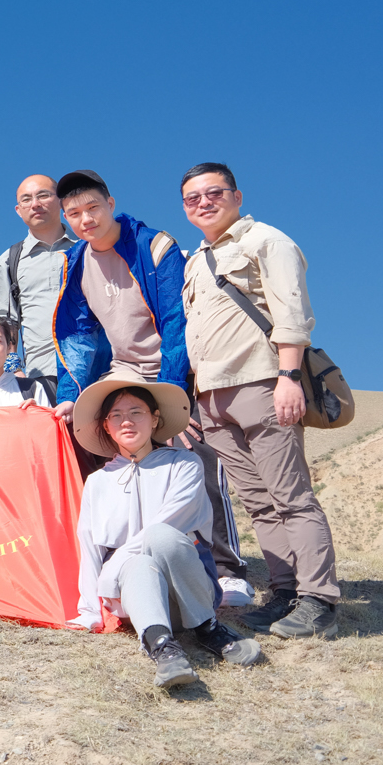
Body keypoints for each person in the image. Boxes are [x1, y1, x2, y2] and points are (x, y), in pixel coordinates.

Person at [52, 169, 245, 582]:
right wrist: (70, 393)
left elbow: (177, 321)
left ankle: (226, 568)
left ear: (110, 204)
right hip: (124, 372)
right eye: (74, 213)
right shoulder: (75, 261)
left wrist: (173, 397)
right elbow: (78, 336)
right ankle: (126, 560)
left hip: (172, 368)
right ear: (65, 219)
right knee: (99, 447)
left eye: (93, 207)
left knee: (196, 453)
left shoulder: (153, 245)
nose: (86, 219)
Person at [178, 163, 340, 640]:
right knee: (259, 504)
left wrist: (289, 377)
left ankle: (319, 599)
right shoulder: (196, 260)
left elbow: (292, 314)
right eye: (192, 198)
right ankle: (285, 592)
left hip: (262, 382)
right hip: (212, 397)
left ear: (237, 195)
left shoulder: (266, 241)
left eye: (214, 193)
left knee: (292, 497)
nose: (203, 203)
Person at [68, 375, 265, 688]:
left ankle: (208, 628)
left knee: (160, 535)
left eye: (136, 412)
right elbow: (90, 545)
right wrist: (90, 609)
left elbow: (171, 522)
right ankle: (163, 648)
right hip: (137, 598)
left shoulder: (184, 464)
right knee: (137, 563)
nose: (126, 421)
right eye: (116, 415)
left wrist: (113, 567)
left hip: (191, 588)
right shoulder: (97, 482)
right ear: (106, 426)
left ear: (155, 418)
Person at [0, 174, 76, 402]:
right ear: (18, 210)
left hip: (97, 369)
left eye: (43, 195)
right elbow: (3, 322)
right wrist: (14, 371)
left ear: (61, 200)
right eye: (26, 199)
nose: (35, 204)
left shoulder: (88, 248)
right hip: (42, 374)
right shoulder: (9, 260)